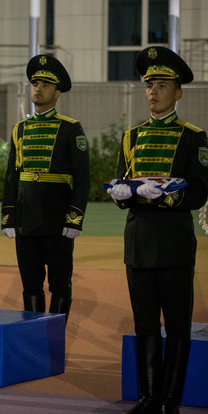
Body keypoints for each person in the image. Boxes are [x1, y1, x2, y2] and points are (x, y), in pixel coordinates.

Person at [107, 46, 208, 414]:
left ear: (178, 92)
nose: (153, 91)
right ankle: (149, 398)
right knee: (145, 323)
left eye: (162, 85)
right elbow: (123, 183)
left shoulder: (194, 137)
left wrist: (165, 198)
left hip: (174, 243)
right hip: (138, 242)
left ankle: (171, 401)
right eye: (149, 84)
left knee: (178, 325)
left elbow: (198, 191)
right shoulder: (130, 137)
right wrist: (120, 193)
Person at [0, 54, 90, 322]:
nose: (37, 89)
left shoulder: (70, 129)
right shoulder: (20, 129)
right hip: (27, 220)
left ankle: (55, 339)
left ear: (57, 92)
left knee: (60, 283)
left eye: (45, 85)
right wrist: (8, 216)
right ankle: (34, 336)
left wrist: (74, 218)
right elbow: (11, 178)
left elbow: (82, 177)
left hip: (57, 219)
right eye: (35, 84)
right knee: (30, 283)